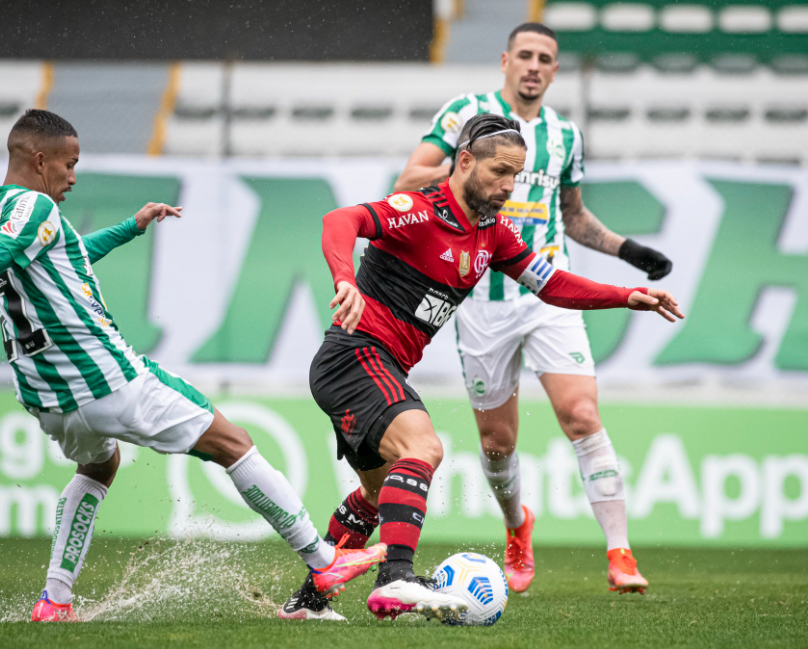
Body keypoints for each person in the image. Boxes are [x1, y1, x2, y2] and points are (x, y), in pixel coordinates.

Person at [0, 109, 386, 623]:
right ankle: (323, 560)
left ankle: (54, 602)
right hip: (103, 375)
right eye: (69, 163)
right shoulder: (36, 206)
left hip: (47, 396)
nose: (73, 176)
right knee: (233, 443)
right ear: (40, 160)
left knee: (98, 465)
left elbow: (67, 258)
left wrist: (131, 227)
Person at [279, 113, 683, 622]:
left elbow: (551, 283)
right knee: (423, 447)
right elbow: (340, 220)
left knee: (379, 495)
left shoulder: (493, 234)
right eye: (499, 173)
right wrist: (345, 279)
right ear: (465, 161)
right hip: (355, 355)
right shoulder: (420, 210)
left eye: (516, 176)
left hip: (372, 366)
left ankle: (310, 601)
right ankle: (397, 579)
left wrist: (626, 295)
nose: (509, 187)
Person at [393, 22, 672, 596]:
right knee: (498, 443)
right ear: (505, 60)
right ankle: (517, 524)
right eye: (525, 55)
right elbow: (409, 178)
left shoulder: (565, 135)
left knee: (582, 415)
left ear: (554, 69)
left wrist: (629, 251)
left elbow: (571, 216)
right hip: (479, 302)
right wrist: (470, 168)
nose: (534, 66)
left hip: (547, 294)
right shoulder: (465, 113)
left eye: (545, 58)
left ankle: (620, 553)